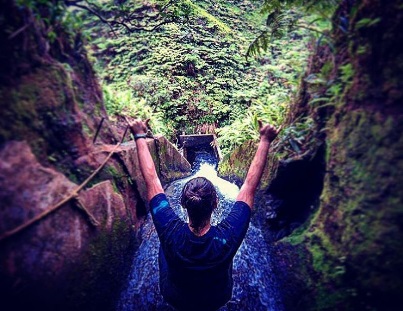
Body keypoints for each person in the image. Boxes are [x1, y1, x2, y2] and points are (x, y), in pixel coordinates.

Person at [128, 118, 280, 311]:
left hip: (175, 296)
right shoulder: (228, 234)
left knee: (163, 245)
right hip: (217, 298)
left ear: (183, 205)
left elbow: (152, 181)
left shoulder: (169, 228)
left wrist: (139, 136)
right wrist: (265, 140)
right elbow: (249, 186)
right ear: (215, 204)